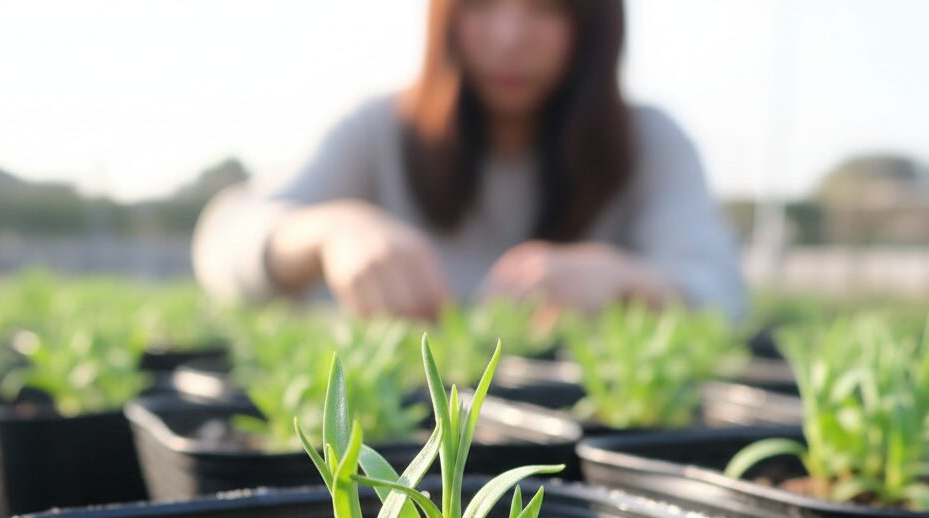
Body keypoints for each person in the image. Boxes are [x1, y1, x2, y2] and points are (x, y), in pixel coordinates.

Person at [193, 0, 746, 322]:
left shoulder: (649, 141)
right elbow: (225, 237)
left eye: (545, 6)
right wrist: (328, 232)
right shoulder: (380, 129)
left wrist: (627, 282)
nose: (509, 37)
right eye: (482, 3)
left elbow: (724, 294)